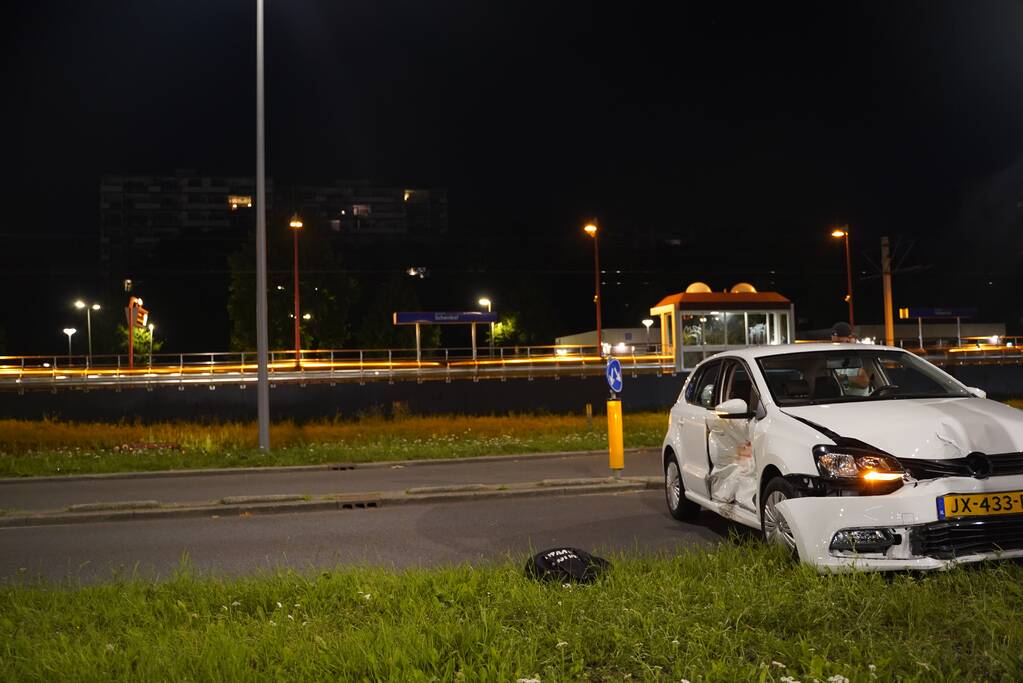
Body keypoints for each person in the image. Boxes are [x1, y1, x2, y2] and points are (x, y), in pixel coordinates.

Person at [829, 322, 871, 394]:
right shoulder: (829, 356)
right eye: (834, 342)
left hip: (860, 400)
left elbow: (864, 382)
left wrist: (841, 378)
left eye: (839, 342)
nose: (836, 345)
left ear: (849, 339)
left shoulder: (861, 354)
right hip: (837, 399)